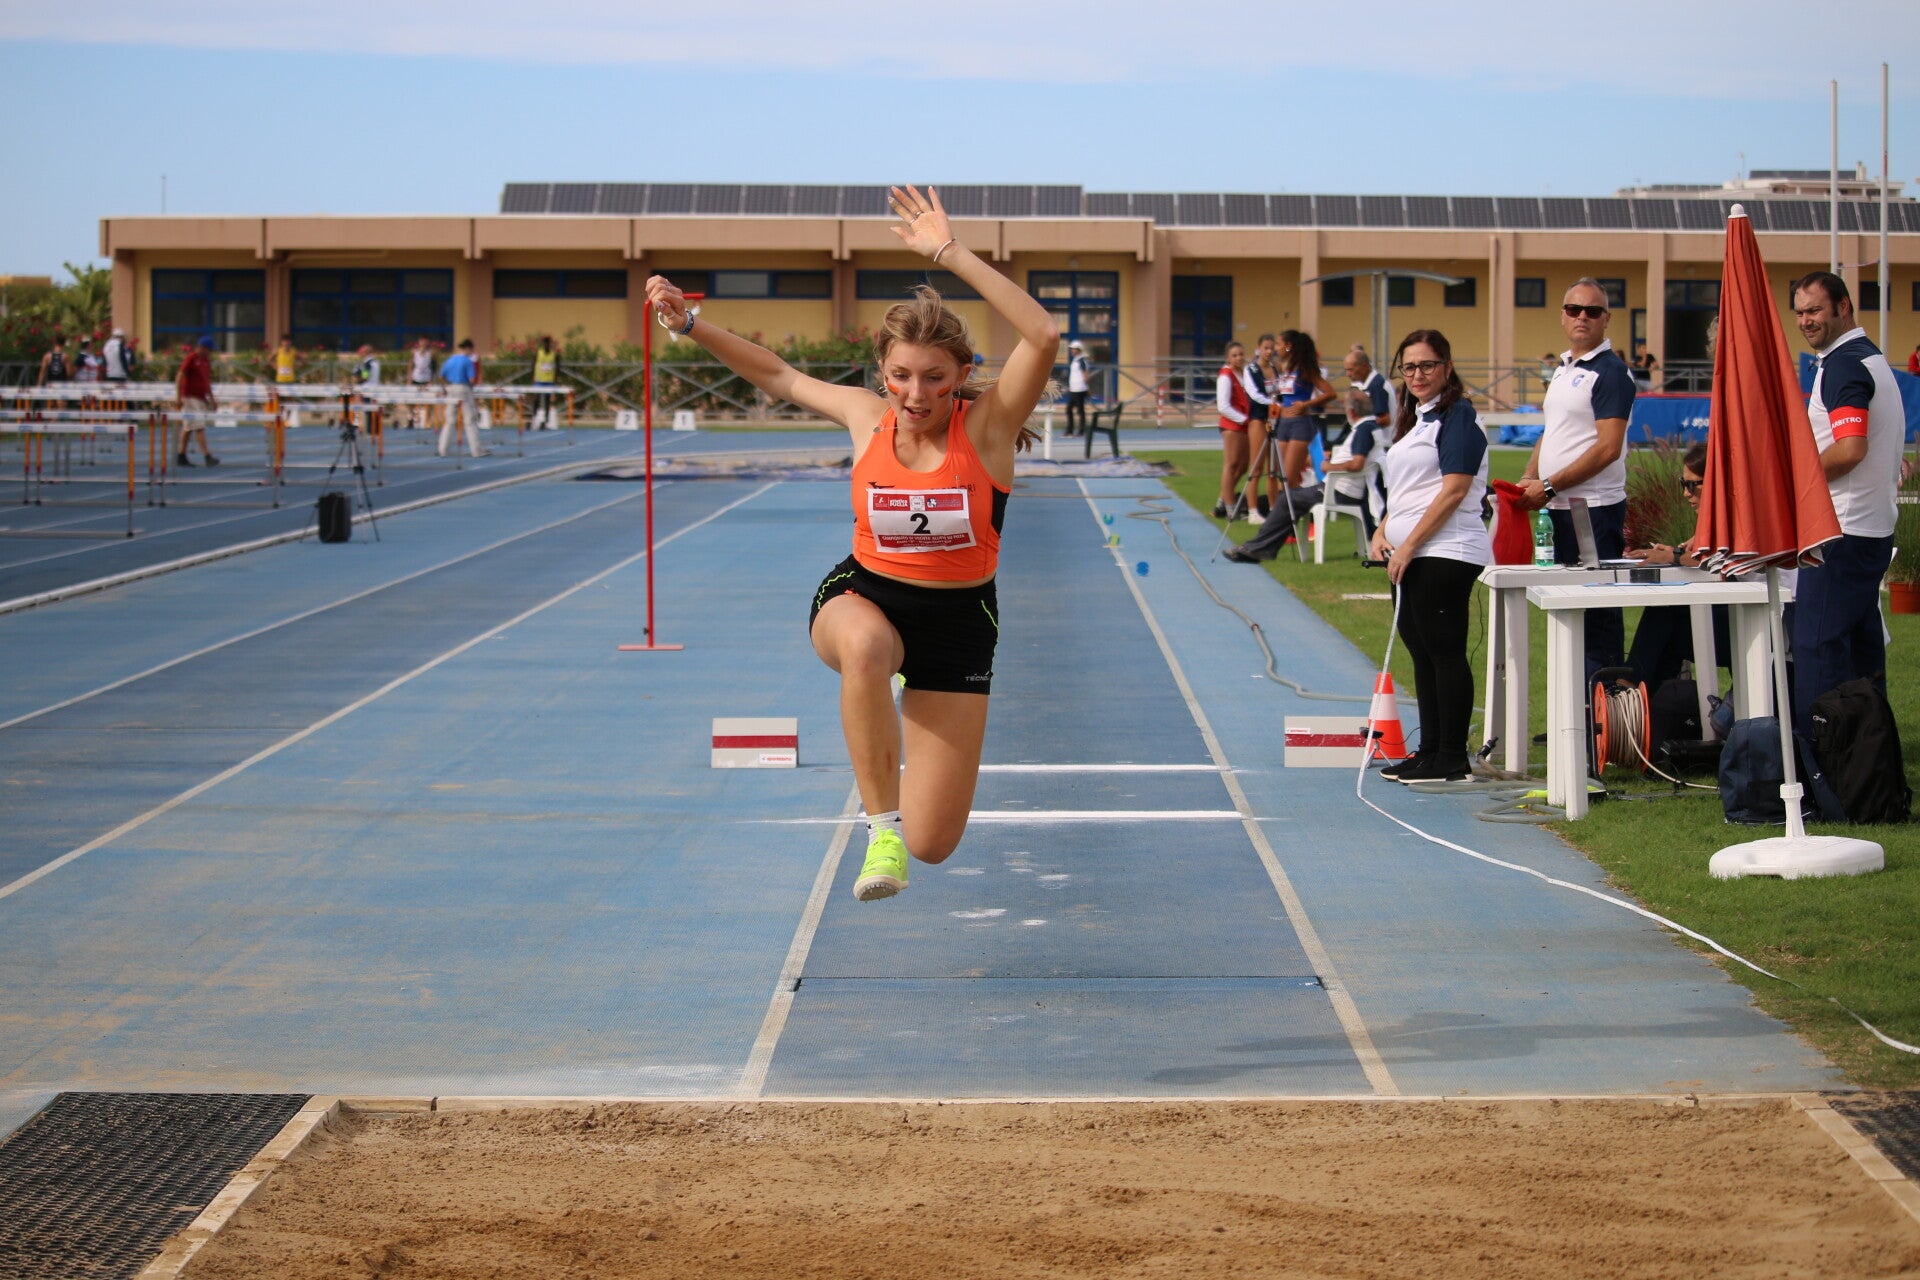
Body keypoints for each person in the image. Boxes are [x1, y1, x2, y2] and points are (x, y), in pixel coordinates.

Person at [646, 184, 1056, 902]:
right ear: (882, 375)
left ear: (961, 376)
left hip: (959, 623)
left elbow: (1043, 336)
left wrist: (948, 251)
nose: (915, 394)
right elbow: (777, 374)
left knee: (936, 844)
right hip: (864, 595)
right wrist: (690, 324)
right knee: (866, 647)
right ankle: (880, 831)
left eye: (934, 378)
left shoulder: (987, 428)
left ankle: (907, 818)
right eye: (900, 376)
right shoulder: (867, 417)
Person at [1368, 329, 1491, 784]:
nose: (1417, 374)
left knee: (1444, 651)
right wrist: (1382, 530)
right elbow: (1408, 492)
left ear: (1447, 366)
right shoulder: (1417, 418)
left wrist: (1409, 545)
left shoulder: (1458, 416)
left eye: (1427, 365)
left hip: (1446, 550)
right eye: (1409, 367)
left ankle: (1452, 756)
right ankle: (1430, 751)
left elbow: (1454, 490)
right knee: (1421, 651)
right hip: (1412, 551)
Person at [1788, 271, 1903, 741]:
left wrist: (1792, 481)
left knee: (1816, 650)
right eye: (1799, 312)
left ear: (1843, 306)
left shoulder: (1843, 364)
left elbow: (1851, 449)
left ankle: (1821, 769)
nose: (1805, 321)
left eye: (1814, 309)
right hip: (1867, 529)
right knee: (1861, 657)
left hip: (1841, 530)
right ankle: (1870, 762)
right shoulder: (1870, 358)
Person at [1519, 277, 1637, 679]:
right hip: (1558, 508)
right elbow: (1553, 431)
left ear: (1607, 318)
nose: (1582, 317)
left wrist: (1550, 484)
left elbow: (1608, 448)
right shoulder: (1564, 368)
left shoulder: (1611, 372)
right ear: (1563, 316)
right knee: (1565, 609)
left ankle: (1601, 709)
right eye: (1574, 309)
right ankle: (1571, 705)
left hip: (1591, 511)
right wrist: (1529, 476)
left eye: (1592, 310)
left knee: (1597, 617)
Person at [1224, 386, 1384, 562]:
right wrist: (1332, 458)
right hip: (1343, 489)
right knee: (1290, 497)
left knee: (1287, 498)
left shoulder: (1363, 430)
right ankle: (1260, 547)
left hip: (1339, 491)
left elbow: (1356, 464)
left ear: (1352, 412)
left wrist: (1328, 466)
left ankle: (1258, 548)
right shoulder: (1370, 427)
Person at [1621, 443, 1729, 686]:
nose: (1686, 494)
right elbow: (1705, 555)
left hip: (1753, 623)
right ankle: (1640, 693)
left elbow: (1714, 560)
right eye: (1683, 484)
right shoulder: (1720, 518)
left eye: (1692, 485)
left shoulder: (1733, 517)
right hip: (1739, 616)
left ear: (1715, 482)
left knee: (1665, 615)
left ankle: (1630, 689)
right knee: (1665, 624)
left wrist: (1672, 557)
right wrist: (1674, 552)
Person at [1272, 329, 1335, 488]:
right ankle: (1296, 501)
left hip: (1299, 424)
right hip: (1283, 424)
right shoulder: (1286, 369)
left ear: (1288, 346)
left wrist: (1306, 404)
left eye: (1278, 344)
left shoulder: (1305, 370)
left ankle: (1298, 502)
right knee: (1282, 479)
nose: (1275, 348)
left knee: (1289, 479)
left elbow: (1330, 393)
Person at [1238, 334, 1279, 517]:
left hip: (1275, 420)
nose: (1269, 352)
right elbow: (1254, 394)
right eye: (1266, 348)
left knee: (1273, 469)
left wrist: (1279, 405)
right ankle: (1253, 510)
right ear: (1259, 348)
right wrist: (1274, 404)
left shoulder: (1275, 369)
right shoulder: (1251, 369)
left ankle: (1273, 508)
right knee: (1256, 466)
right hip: (1259, 419)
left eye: (1272, 348)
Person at [1212, 341, 1252, 519]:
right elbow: (1223, 406)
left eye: (1241, 354)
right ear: (1228, 358)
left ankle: (1222, 500)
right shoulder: (1225, 376)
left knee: (1243, 466)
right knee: (1231, 464)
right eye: (1234, 355)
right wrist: (1244, 419)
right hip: (1232, 425)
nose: (1239, 358)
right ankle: (1230, 508)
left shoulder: (1243, 374)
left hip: (1244, 425)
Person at [436, 338, 488, 458]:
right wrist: (472, 387)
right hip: (464, 388)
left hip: (451, 388)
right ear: (468, 348)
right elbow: (472, 379)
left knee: (449, 420)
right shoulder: (468, 361)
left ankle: (442, 449)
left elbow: (441, 376)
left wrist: (446, 387)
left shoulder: (450, 359)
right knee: (470, 420)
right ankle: (476, 450)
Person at [174, 336, 221, 468]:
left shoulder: (206, 361)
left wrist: (212, 399)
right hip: (189, 397)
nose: (211, 352)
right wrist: (178, 398)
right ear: (203, 348)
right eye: (210, 350)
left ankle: (181, 454)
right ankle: (207, 455)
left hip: (200, 398)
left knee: (189, 427)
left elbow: (207, 381)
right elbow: (179, 376)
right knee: (199, 426)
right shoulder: (191, 358)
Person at [531, 334, 562, 430]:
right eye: (545, 344)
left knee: (548, 401)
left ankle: (546, 421)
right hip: (539, 380)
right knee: (537, 399)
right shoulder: (538, 353)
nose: (546, 345)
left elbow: (558, 368)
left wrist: (556, 380)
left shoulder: (554, 354)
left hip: (549, 381)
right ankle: (534, 419)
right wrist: (533, 377)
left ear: (550, 344)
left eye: (548, 344)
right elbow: (532, 365)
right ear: (543, 344)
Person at [1063, 340, 1091, 437]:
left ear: (1079, 350)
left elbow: (1085, 375)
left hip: (1080, 389)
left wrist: (1087, 388)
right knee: (1069, 409)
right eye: (1072, 349)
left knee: (1080, 410)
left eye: (1074, 349)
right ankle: (1070, 430)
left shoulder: (1082, 361)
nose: (1072, 351)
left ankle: (1081, 431)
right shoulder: (1075, 360)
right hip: (1074, 389)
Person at [407, 337, 436, 428]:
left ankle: (428, 420)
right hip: (416, 378)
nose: (423, 343)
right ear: (419, 342)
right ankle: (411, 418)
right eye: (422, 341)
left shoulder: (431, 353)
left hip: (427, 379)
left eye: (425, 341)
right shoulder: (414, 352)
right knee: (411, 399)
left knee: (429, 400)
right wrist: (409, 379)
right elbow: (411, 365)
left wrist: (431, 379)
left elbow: (434, 367)